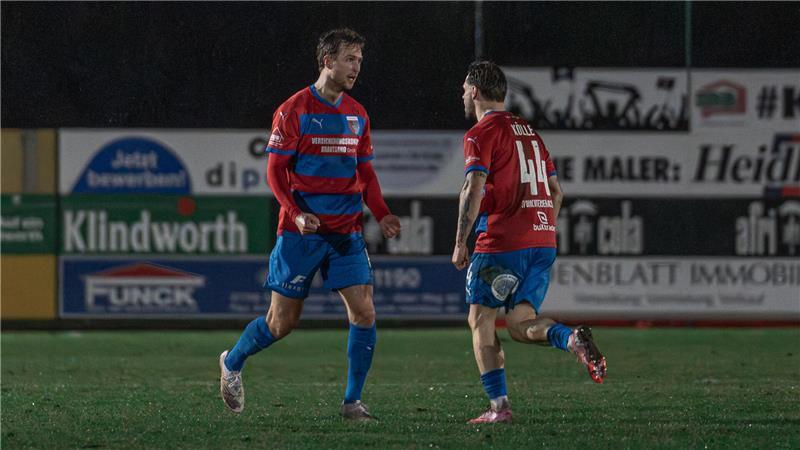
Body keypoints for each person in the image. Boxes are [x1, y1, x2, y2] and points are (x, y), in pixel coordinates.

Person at [219, 28, 401, 421]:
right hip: (300, 233)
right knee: (281, 323)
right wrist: (296, 212)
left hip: (346, 233)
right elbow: (274, 171)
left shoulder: (357, 115)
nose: (356, 67)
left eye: (359, 60)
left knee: (365, 311)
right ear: (327, 61)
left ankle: (352, 401)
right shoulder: (294, 110)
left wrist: (382, 211)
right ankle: (232, 361)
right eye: (350, 59)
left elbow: (365, 174)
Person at [451, 61, 607, 424]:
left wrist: (461, 241)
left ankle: (499, 408)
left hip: (503, 243)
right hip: (541, 242)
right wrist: (541, 228)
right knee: (522, 323)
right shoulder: (530, 133)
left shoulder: (480, 133)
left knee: (481, 319)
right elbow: (556, 192)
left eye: (463, 88)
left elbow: (472, 188)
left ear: (474, 90)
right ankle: (571, 340)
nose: (461, 94)